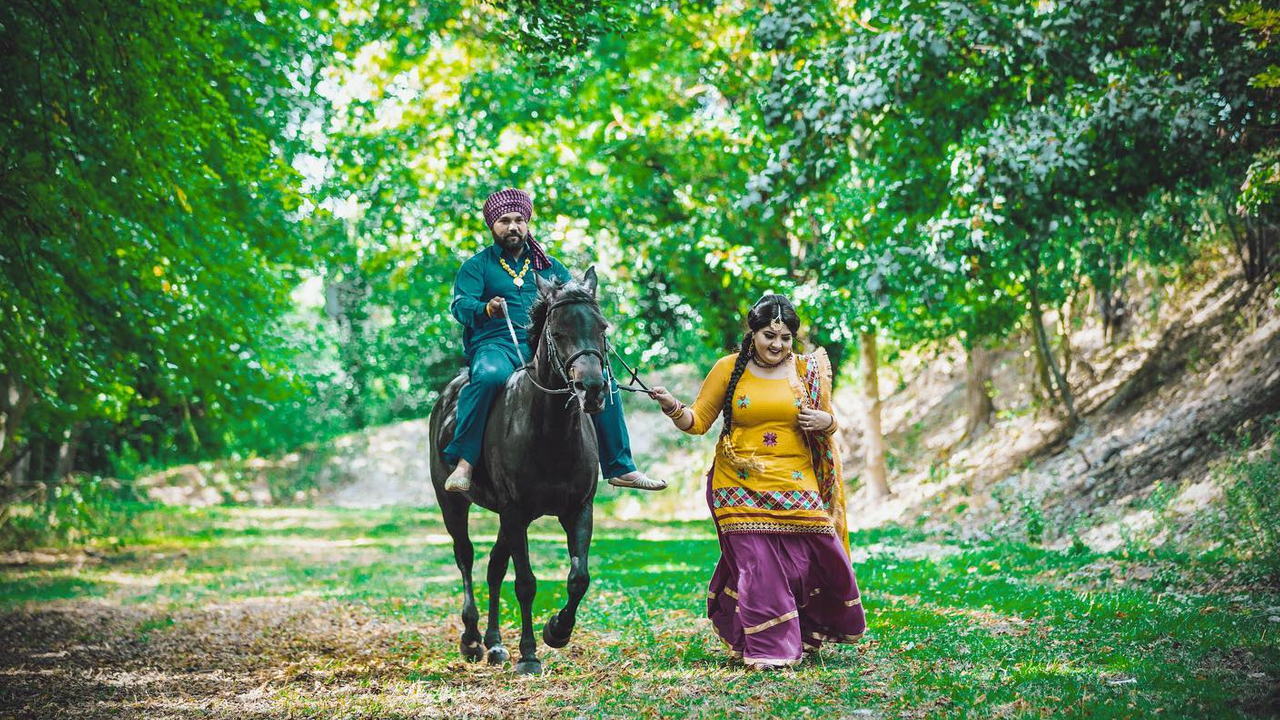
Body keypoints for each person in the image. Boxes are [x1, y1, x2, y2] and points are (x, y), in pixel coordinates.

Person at [647, 294, 865, 668]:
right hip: (737, 484)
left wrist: (825, 423)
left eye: (784, 338)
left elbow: (830, 422)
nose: (777, 345)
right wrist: (671, 406)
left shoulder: (806, 370)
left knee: (813, 558)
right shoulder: (729, 368)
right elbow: (697, 423)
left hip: (797, 482)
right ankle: (769, 649)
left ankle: (806, 631)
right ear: (753, 332)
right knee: (758, 566)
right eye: (769, 335)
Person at [442, 188, 667, 494]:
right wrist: (485, 308)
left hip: (545, 349)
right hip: (495, 344)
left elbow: (575, 303)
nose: (513, 227)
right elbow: (459, 306)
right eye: (505, 220)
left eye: (519, 220)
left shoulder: (549, 266)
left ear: (527, 223)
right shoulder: (477, 266)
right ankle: (465, 464)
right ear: (492, 225)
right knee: (489, 376)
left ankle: (620, 467)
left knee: (603, 381)